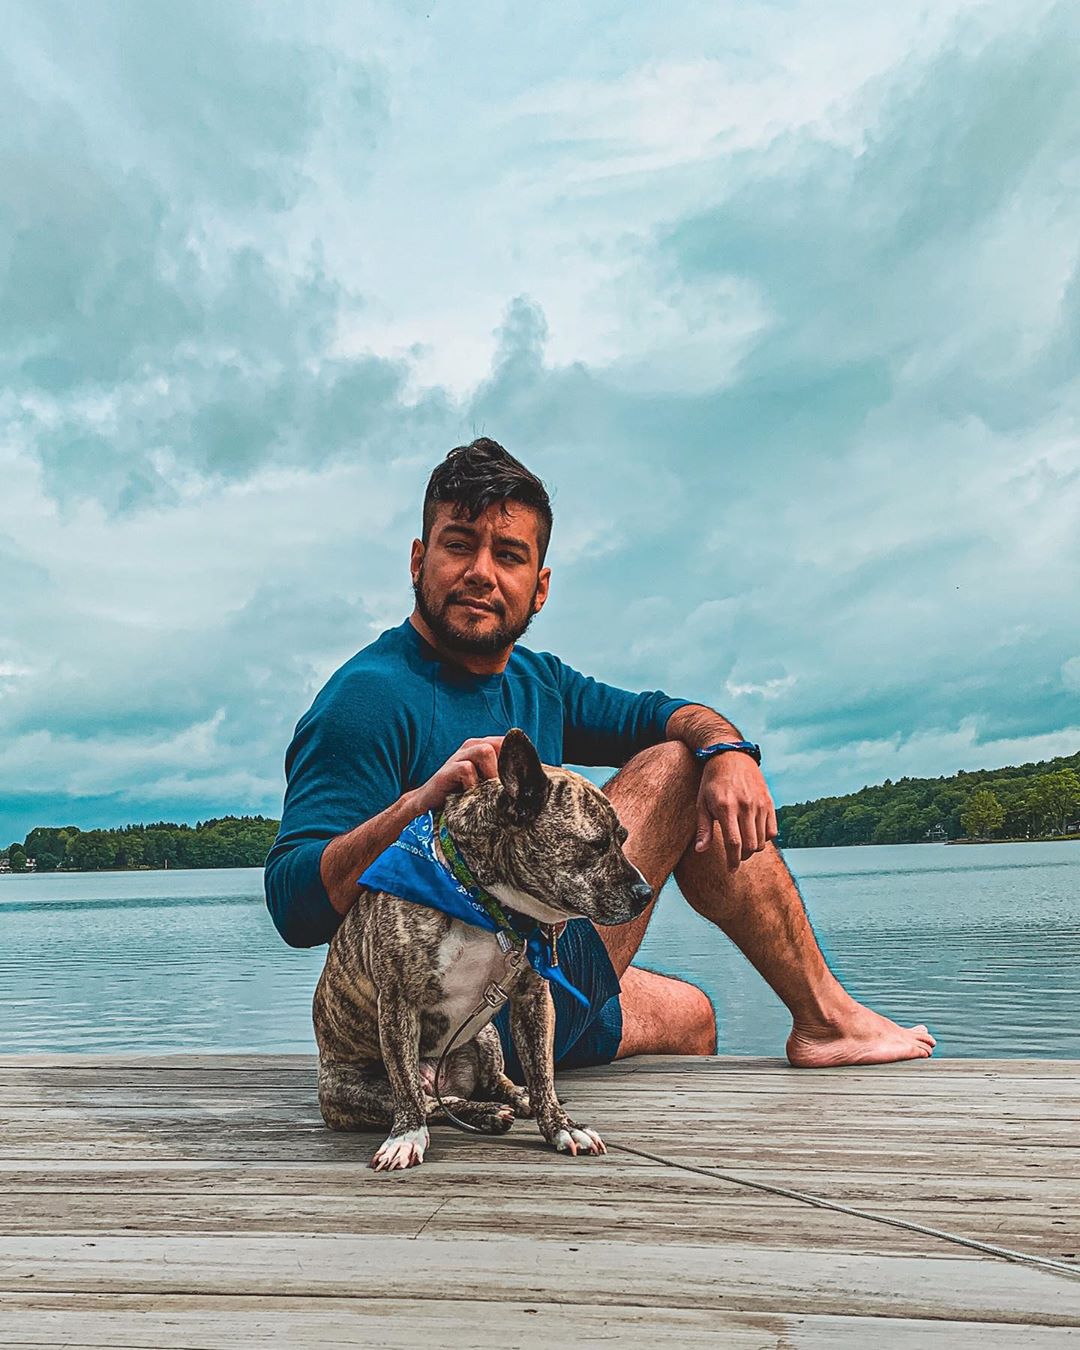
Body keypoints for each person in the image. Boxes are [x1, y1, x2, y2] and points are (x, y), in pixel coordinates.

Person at [265, 438, 935, 1072]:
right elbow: (294, 906)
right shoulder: (367, 700)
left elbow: (657, 713)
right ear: (419, 561)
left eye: (508, 554)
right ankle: (828, 1019)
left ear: (541, 584)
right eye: (459, 546)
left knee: (694, 1015)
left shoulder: (539, 682)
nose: (480, 573)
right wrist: (419, 805)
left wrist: (730, 750)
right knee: (675, 770)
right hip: (438, 1023)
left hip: (531, 979)